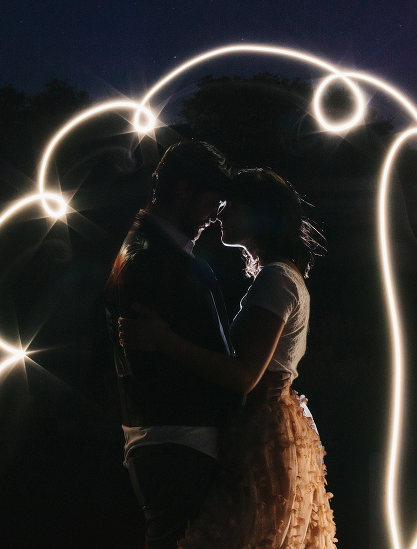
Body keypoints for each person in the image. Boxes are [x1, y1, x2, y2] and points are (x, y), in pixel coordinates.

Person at [119, 168, 337, 548]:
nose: (219, 214)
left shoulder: (276, 279)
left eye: (231, 206)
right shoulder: (279, 276)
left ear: (260, 214)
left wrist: (164, 340)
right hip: (263, 425)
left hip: (262, 429)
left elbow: (244, 376)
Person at [104, 141, 246, 549]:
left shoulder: (149, 250)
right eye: (211, 202)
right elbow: (156, 363)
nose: (213, 216)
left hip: (170, 442)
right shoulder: (154, 260)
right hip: (179, 444)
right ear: (184, 191)